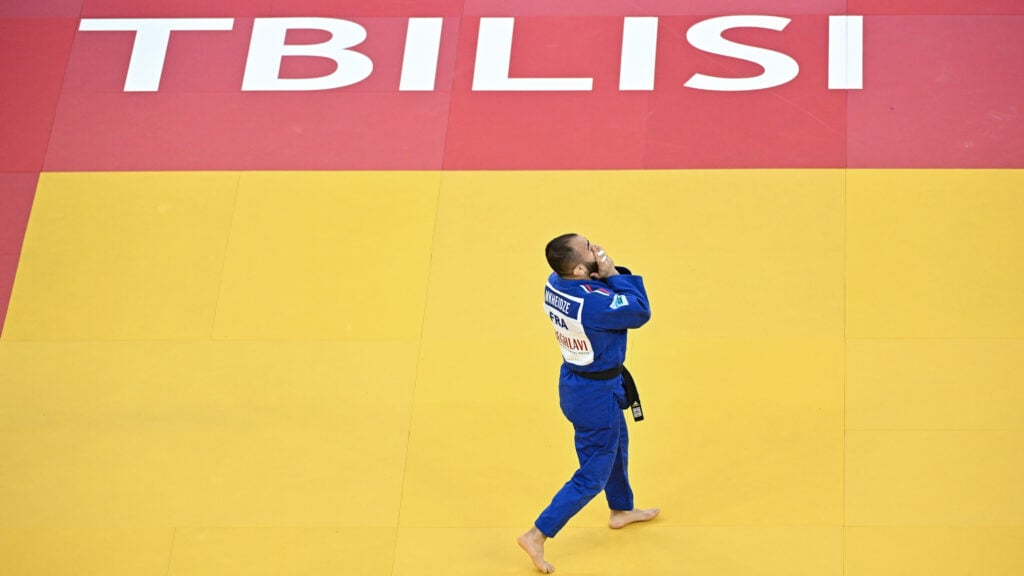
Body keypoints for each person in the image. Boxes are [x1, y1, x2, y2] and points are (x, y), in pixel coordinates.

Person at [518, 233, 660, 573]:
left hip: (578, 383)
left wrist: (603, 276)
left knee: (617, 445)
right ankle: (537, 534)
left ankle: (621, 509)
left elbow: (601, 297)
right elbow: (639, 310)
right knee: (592, 474)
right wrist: (612, 273)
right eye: (589, 248)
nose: (596, 249)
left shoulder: (556, 282)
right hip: (595, 396)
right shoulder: (594, 303)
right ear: (580, 270)